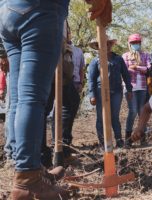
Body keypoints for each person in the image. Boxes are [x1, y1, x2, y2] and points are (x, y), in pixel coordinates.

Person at [0, 0, 111, 198]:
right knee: (31, 97)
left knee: (19, 97)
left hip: (8, 11)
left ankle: (29, 168)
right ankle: (28, 179)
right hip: (39, 10)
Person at [88, 37, 133, 149]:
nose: (105, 46)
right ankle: (103, 142)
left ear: (110, 45)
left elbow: (126, 75)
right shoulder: (95, 61)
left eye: (107, 44)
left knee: (114, 116)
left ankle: (119, 140)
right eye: (102, 44)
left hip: (116, 91)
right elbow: (91, 79)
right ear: (98, 47)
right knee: (101, 117)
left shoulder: (118, 59)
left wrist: (129, 89)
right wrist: (92, 95)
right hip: (100, 92)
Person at [51, 24, 85, 158]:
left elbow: (81, 68)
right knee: (48, 107)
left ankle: (62, 144)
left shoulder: (76, 49)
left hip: (66, 75)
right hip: (55, 66)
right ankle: (57, 147)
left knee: (69, 103)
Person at [122, 33, 151, 147]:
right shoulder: (125, 56)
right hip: (130, 88)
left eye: (137, 43)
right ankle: (128, 139)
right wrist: (137, 69)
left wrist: (136, 67)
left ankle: (143, 138)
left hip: (143, 87)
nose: (136, 45)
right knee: (132, 111)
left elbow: (148, 69)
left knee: (141, 112)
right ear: (129, 44)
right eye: (133, 43)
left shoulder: (145, 55)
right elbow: (124, 71)